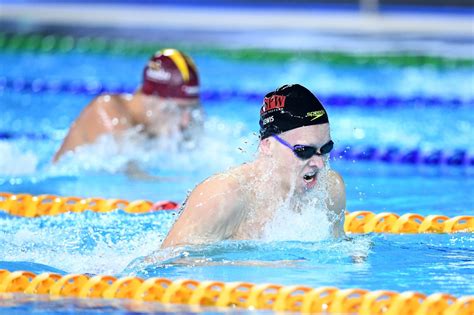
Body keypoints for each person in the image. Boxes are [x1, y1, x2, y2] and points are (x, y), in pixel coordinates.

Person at [161, 84, 346, 248]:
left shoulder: (331, 189)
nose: (320, 163)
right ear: (267, 145)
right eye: (304, 151)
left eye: (326, 148)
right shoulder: (223, 197)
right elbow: (168, 268)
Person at [53, 48, 202, 162]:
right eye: (177, 109)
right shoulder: (107, 111)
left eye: (191, 108)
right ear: (152, 98)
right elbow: (134, 179)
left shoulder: (173, 122)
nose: (185, 121)